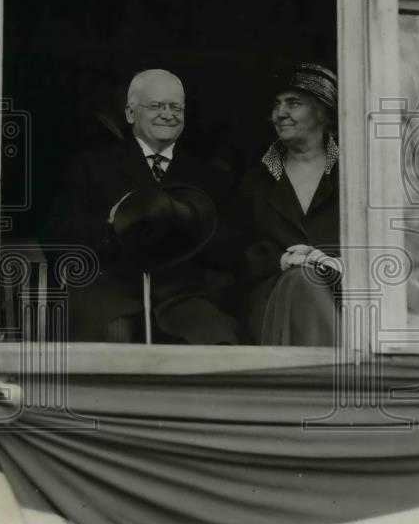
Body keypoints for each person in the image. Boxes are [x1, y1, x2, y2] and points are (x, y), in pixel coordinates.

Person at [43, 68, 239, 344]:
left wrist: (194, 224)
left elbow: (232, 248)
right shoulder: (92, 166)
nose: (168, 114)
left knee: (217, 339)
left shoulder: (207, 176)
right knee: (113, 334)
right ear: (131, 113)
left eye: (176, 107)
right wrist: (111, 222)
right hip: (111, 289)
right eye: (156, 106)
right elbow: (57, 237)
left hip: (184, 293)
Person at [240, 63, 341, 346]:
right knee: (302, 280)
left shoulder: (356, 173)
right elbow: (234, 251)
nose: (280, 113)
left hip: (346, 296)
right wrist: (281, 261)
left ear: (322, 112)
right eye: (277, 105)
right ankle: (339, 379)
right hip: (274, 298)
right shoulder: (256, 180)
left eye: (293, 104)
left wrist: (335, 263)